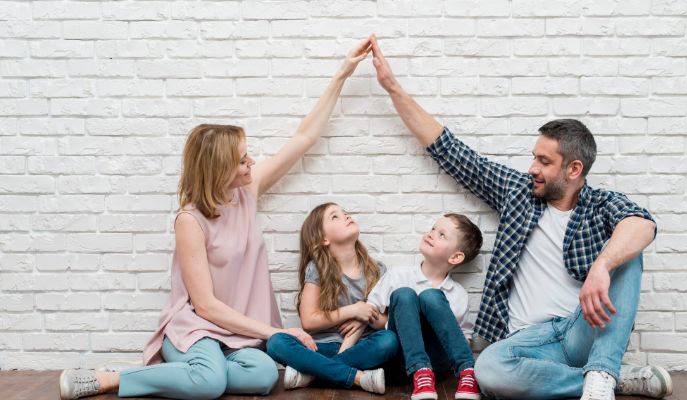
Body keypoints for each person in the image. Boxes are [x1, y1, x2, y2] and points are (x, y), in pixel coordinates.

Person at [58, 38, 373, 400]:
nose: (251, 163)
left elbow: (304, 137)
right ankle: (117, 378)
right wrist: (274, 333)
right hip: (199, 328)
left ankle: (197, 373)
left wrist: (342, 74)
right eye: (242, 159)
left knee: (263, 376)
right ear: (218, 168)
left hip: (240, 333)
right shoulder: (190, 221)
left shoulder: (247, 191)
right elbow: (205, 305)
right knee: (209, 384)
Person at [368, 35, 673, 400]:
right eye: (534, 157)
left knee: (629, 253)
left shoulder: (600, 204)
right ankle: (608, 378)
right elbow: (451, 151)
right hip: (527, 342)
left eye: (544, 162)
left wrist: (602, 265)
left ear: (574, 169)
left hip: (581, 329)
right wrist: (392, 88)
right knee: (489, 371)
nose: (532, 168)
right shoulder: (518, 193)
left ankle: (601, 373)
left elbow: (643, 224)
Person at [265, 203, 398, 394]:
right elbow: (309, 321)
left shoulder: (377, 270)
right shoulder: (317, 269)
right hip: (323, 348)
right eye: (335, 217)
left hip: (361, 348)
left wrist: (368, 314)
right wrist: (353, 310)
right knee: (276, 342)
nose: (345, 216)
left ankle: (313, 376)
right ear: (323, 239)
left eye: (344, 212)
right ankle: (357, 377)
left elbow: (386, 322)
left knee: (388, 340)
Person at [366, 213, 483, 400]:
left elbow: (464, 338)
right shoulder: (398, 275)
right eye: (433, 229)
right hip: (400, 362)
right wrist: (393, 321)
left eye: (442, 234)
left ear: (455, 257)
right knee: (404, 294)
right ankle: (420, 371)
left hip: (437, 363)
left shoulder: (458, 294)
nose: (431, 234)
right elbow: (370, 312)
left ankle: (467, 372)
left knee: (431, 296)